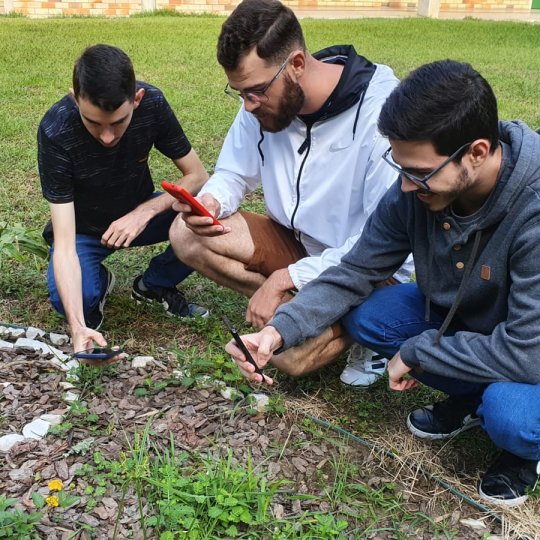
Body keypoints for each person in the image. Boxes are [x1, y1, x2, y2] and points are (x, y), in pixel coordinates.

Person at [226, 60, 540, 506]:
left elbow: (528, 354)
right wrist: (279, 330)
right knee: (372, 317)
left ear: (476, 152)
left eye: (419, 173)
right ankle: (473, 396)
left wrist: (417, 351)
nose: (407, 188)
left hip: (532, 348)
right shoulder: (416, 187)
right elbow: (356, 270)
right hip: (478, 320)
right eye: (401, 167)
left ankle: (522, 449)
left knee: (511, 415)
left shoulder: (534, 210)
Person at [169, 0, 412, 386]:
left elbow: (380, 246)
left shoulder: (382, 113)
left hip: (367, 268)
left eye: (255, 92)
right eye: (240, 93)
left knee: (290, 358)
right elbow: (234, 170)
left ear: (297, 64)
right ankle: (300, 315)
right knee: (185, 234)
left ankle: (359, 327)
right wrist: (213, 200)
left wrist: (285, 277)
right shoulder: (264, 96)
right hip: (296, 242)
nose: (249, 105)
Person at [38, 44, 209, 356]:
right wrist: (77, 327)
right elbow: (64, 243)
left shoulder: (153, 104)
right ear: (75, 100)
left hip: (141, 215)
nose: (107, 136)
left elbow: (197, 176)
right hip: (83, 231)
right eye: (93, 122)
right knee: (73, 304)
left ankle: (155, 283)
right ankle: (98, 282)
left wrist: (145, 211)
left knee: (209, 216)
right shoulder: (56, 130)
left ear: (137, 100)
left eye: (118, 122)